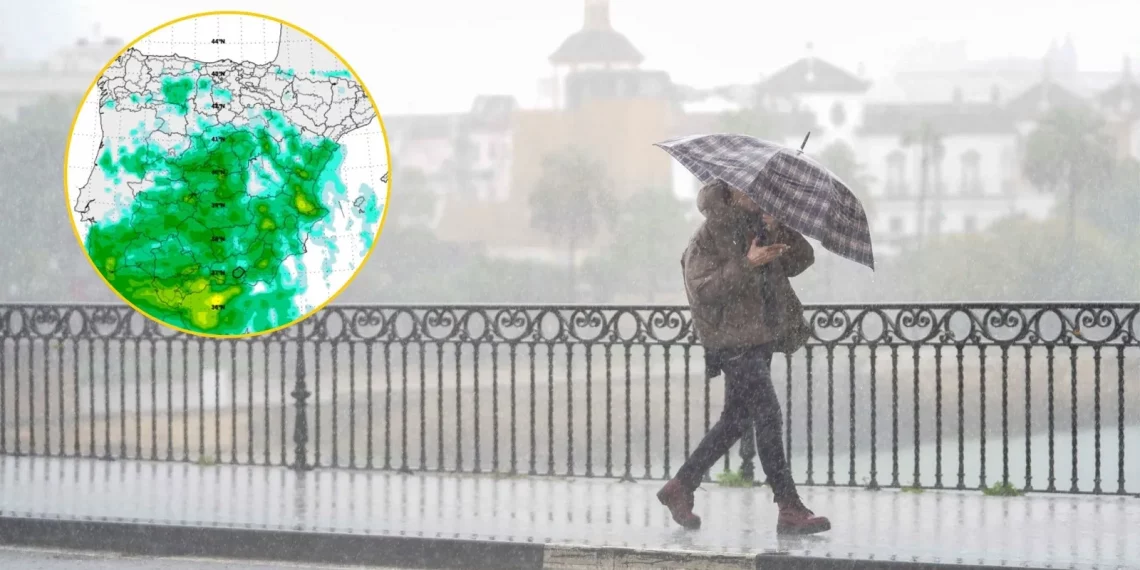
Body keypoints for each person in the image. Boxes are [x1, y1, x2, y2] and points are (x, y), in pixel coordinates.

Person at [656, 178, 830, 535]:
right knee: (767, 413)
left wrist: (778, 225)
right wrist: (748, 263)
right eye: (749, 189)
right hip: (732, 342)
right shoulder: (706, 237)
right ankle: (789, 507)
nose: (758, 194)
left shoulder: (757, 225)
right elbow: (703, 290)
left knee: (735, 420)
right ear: (729, 192)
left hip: (761, 336)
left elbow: (800, 261)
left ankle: (681, 486)